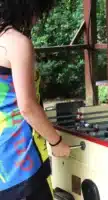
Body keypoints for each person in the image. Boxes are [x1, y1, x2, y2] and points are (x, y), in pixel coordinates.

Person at [0, 1, 71, 200]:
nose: (37, 19)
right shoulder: (16, 42)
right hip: (19, 160)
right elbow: (28, 107)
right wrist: (56, 142)